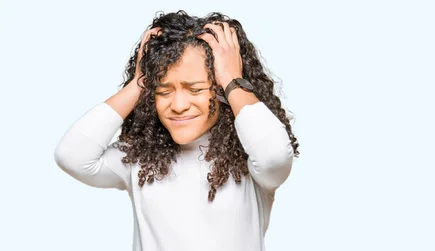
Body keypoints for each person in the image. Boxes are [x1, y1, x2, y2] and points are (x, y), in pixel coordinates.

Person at [54, 10, 299, 251]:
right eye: (163, 91)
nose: (179, 106)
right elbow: (73, 156)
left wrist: (232, 79)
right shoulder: (139, 160)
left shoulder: (247, 160)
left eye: (195, 90)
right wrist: (139, 81)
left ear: (220, 90)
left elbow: (274, 154)